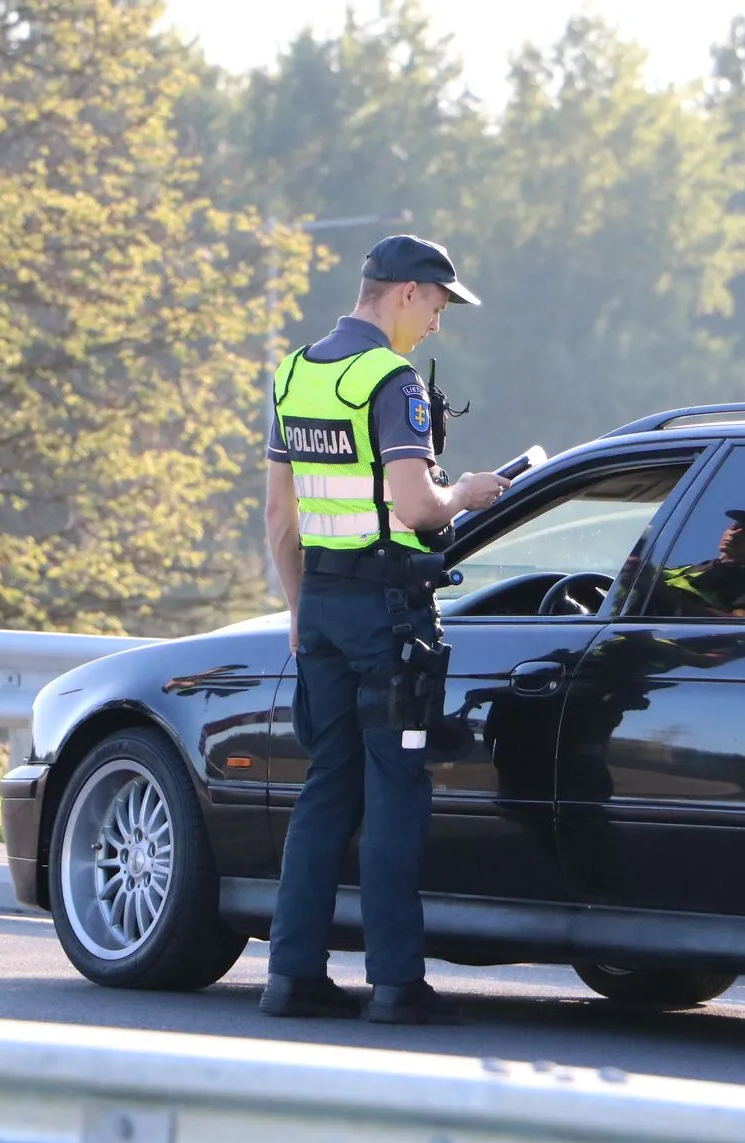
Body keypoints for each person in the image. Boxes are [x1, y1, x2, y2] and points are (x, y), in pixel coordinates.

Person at [260, 234, 508, 1025]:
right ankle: (396, 984)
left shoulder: (295, 373)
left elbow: (278, 519)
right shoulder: (389, 380)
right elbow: (416, 507)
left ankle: (291, 975)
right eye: (437, 304)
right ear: (405, 292)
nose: (437, 323)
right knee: (396, 788)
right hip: (388, 613)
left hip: (325, 604)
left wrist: (299, 611)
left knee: (326, 787)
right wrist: (465, 490)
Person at [652, 509, 745, 620]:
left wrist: (665, 594)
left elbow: (743, 628)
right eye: (735, 526)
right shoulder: (685, 569)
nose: (736, 533)